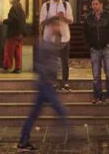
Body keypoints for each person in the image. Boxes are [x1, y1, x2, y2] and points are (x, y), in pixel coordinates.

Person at [17, 23, 70, 151]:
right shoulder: (44, 45)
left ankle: (24, 139)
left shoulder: (50, 44)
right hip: (45, 85)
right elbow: (40, 65)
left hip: (45, 84)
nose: (58, 28)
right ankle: (74, 137)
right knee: (60, 110)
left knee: (35, 113)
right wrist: (48, 79)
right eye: (56, 26)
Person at [38, 0, 73, 91]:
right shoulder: (46, 5)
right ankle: (52, 82)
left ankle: (65, 82)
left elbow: (71, 21)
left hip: (64, 37)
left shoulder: (66, 5)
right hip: (50, 38)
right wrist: (53, 18)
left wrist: (63, 17)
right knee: (52, 61)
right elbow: (42, 22)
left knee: (64, 61)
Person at [83, 0, 109, 104]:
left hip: (107, 48)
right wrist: (89, 46)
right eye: (93, 4)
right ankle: (97, 96)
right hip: (95, 49)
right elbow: (85, 34)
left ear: (101, 4)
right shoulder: (88, 18)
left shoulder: (108, 16)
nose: (94, 6)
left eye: (96, 4)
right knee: (96, 75)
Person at [3, 0, 26, 73]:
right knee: (18, 51)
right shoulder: (21, 8)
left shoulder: (14, 8)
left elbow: (13, 20)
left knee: (8, 50)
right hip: (20, 34)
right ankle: (18, 68)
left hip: (13, 33)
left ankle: (7, 67)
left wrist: (4, 21)